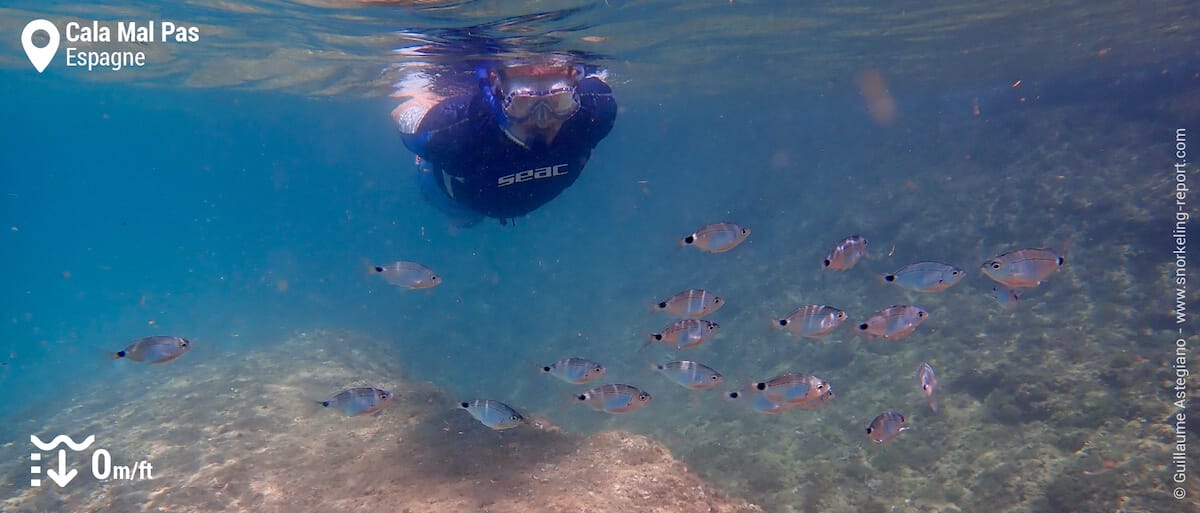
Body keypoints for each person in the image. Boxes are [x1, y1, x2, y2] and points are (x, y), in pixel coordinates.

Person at [393, 55, 617, 226]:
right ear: (497, 92)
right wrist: (424, 107)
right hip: (457, 199)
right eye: (522, 102)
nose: (542, 121)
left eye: (560, 101)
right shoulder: (452, 130)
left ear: (575, 89)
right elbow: (401, 113)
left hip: (493, 196)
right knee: (463, 219)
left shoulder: (596, 111)